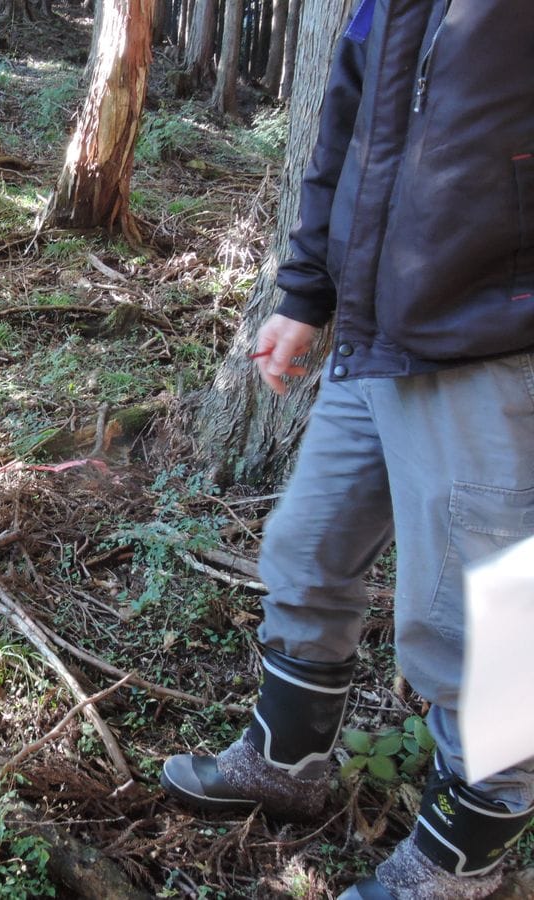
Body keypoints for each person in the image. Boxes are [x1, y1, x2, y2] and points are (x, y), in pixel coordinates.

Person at [159, 1, 534, 898]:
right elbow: (343, 138)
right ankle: (289, 761)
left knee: (488, 621)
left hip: (493, 339)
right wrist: (304, 295)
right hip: (373, 335)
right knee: (307, 546)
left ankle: (464, 863)